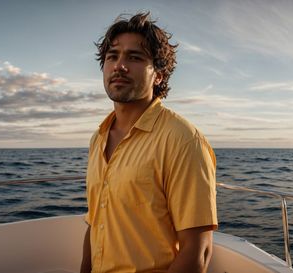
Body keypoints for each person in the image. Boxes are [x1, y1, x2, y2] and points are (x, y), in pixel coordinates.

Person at [81, 12, 217, 273]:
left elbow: (197, 252)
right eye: (113, 56)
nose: (120, 65)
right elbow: (94, 225)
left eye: (134, 57)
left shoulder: (182, 140)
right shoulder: (98, 137)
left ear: (159, 76)